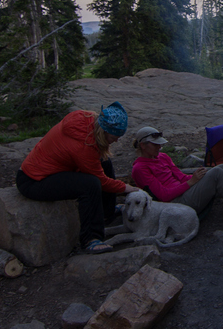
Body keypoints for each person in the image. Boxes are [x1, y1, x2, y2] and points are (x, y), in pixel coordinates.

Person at [17, 102, 139, 254]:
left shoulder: (86, 118)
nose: (116, 141)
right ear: (104, 131)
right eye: (114, 136)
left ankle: (106, 211)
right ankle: (91, 239)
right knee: (90, 184)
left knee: (104, 162)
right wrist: (127, 188)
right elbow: (101, 180)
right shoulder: (83, 146)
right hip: (34, 181)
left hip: (47, 172)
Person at [130, 126, 223, 225]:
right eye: (155, 145)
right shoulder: (140, 168)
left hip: (185, 193)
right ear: (143, 146)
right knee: (217, 172)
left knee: (221, 168)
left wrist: (198, 177)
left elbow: (181, 177)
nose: (159, 148)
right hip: (173, 206)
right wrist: (191, 183)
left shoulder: (163, 157)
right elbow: (163, 196)